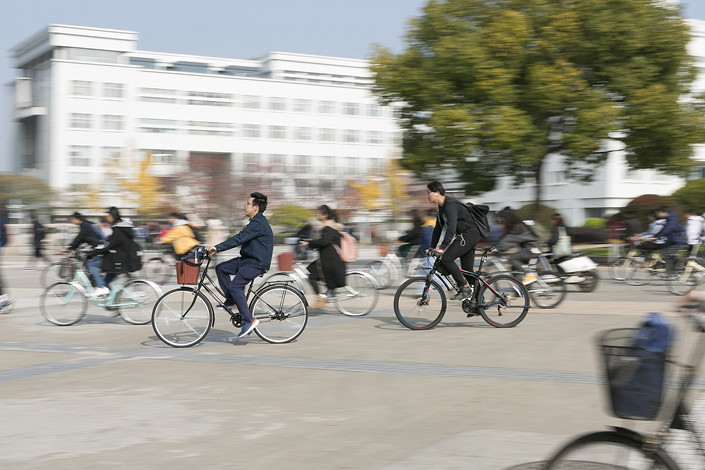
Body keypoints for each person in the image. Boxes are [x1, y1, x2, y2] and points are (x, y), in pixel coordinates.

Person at [208, 192, 273, 338]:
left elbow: (239, 238)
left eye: (248, 204)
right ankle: (232, 300)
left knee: (235, 286)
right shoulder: (255, 222)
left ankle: (249, 320)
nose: (245, 206)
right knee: (221, 268)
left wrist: (217, 248)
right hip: (247, 260)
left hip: (256, 263)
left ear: (255, 208)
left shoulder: (258, 223)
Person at [426, 181, 481, 300]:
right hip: (465, 236)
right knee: (467, 270)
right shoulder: (441, 208)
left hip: (469, 234)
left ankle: (464, 287)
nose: (427, 195)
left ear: (436, 193)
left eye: (428, 192)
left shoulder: (450, 205)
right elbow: (438, 228)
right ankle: (479, 301)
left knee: (446, 259)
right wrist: (432, 246)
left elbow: (451, 227)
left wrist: (442, 248)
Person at [300, 205, 346, 310]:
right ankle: (328, 293)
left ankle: (319, 299)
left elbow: (324, 242)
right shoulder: (331, 226)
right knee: (317, 275)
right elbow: (326, 243)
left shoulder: (328, 227)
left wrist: (309, 244)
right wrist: (312, 245)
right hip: (331, 259)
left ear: (324, 215)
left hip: (329, 261)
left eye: (318, 213)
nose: (317, 215)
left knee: (309, 273)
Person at [86, 207, 141, 294]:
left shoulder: (118, 230)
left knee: (93, 264)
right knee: (106, 281)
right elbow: (110, 243)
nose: (106, 218)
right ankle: (111, 303)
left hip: (118, 260)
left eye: (107, 216)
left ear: (112, 216)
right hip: (123, 258)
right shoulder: (124, 228)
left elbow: (108, 244)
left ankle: (101, 287)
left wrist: (92, 253)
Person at [62, 212, 107, 297]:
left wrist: (69, 248)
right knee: (87, 260)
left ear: (77, 219)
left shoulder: (85, 225)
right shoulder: (88, 224)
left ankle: (98, 284)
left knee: (92, 265)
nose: (72, 221)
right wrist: (73, 246)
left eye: (72, 219)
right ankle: (94, 281)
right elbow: (84, 238)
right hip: (97, 245)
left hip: (98, 246)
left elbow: (79, 237)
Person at [495, 208, 542, 284]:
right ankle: (518, 291)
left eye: (501, 221)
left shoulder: (518, 228)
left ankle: (528, 275)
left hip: (532, 249)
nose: (500, 223)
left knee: (512, 258)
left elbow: (509, 240)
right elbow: (506, 239)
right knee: (514, 268)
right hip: (531, 249)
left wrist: (497, 248)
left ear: (507, 219)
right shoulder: (518, 226)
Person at [652, 206, 686, 275]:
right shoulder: (669, 219)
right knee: (664, 253)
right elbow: (664, 230)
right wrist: (656, 236)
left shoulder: (672, 220)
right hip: (673, 242)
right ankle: (678, 266)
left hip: (678, 243)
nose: (657, 215)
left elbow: (667, 229)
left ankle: (671, 273)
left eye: (658, 213)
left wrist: (657, 237)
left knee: (665, 254)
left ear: (664, 212)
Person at [0, 210, 14, 311]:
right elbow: (6, 238)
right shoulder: (2, 219)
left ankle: (4, 299)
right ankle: (4, 298)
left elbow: (5, 237)